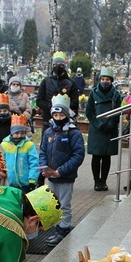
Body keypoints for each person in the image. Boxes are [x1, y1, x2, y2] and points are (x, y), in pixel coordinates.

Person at [39, 94, 85, 247]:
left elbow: (78, 155)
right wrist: (44, 167)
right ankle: (55, 228)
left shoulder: (73, 133)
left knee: (64, 204)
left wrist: (61, 170)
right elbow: (43, 151)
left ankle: (64, 229)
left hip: (65, 176)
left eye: (61, 115)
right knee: (53, 203)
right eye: (55, 115)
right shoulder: (48, 132)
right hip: (51, 175)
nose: (58, 118)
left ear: (66, 115)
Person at [86, 66, 122, 192]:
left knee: (107, 157)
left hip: (110, 130)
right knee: (96, 157)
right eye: (103, 79)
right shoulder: (93, 93)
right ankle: (96, 181)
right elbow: (89, 112)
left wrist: (112, 123)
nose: (105, 81)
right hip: (97, 130)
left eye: (107, 79)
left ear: (111, 81)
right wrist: (99, 124)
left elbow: (119, 111)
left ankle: (104, 181)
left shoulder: (116, 95)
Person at [36, 52, 80, 129]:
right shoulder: (46, 82)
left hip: (65, 121)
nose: (58, 67)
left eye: (61, 65)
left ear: (64, 66)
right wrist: (51, 108)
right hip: (48, 120)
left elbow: (75, 103)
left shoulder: (71, 83)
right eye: (55, 64)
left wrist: (62, 108)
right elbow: (39, 101)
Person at [2, 114, 39, 194]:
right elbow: (1, 161)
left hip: (25, 183)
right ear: (12, 132)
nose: (19, 136)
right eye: (17, 133)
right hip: (9, 182)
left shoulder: (29, 145)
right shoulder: (4, 145)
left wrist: (32, 180)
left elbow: (34, 163)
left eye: (22, 133)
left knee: (24, 204)